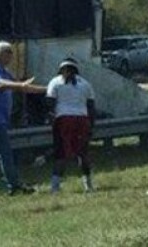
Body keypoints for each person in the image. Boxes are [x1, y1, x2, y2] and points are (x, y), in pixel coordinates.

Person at [0, 41, 45, 196]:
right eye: (9, 52)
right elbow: (1, 84)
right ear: (0, 54)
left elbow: (21, 86)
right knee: (5, 152)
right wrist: (20, 85)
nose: (11, 56)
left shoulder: (4, 71)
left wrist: (48, 89)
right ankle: (14, 186)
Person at [46, 58, 96, 193]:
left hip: (63, 120)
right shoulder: (86, 84)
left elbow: (50, 103)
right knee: (83, 153)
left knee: (61, 153)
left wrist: (51, 121)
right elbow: (91, 106)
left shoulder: (55, 82)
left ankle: (55, 187)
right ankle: (88, 185)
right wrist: (91, 125)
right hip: (81, 119)